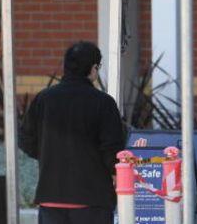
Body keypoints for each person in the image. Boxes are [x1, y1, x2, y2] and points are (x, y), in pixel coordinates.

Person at [19, 41, 125, 224]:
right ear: (93, 68)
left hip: (50, 195)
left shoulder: (44, 99)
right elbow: (112, 148)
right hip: (93, 198)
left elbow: (25, 140)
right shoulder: (103, 103)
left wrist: (48, 154)